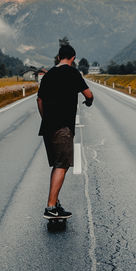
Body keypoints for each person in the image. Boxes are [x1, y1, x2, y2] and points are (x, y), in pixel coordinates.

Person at [37, 38, 93, 219]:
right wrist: (89, 101)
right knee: (62, 165)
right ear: (73, 58)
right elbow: (88, 94)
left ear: (59, 57)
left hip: (47, 127)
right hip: (63, 127)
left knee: (57, 165)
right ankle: (51, 206)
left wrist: (45, 118)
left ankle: (56, 202)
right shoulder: (73, 74)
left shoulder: (48, 75)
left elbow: (39, 100)